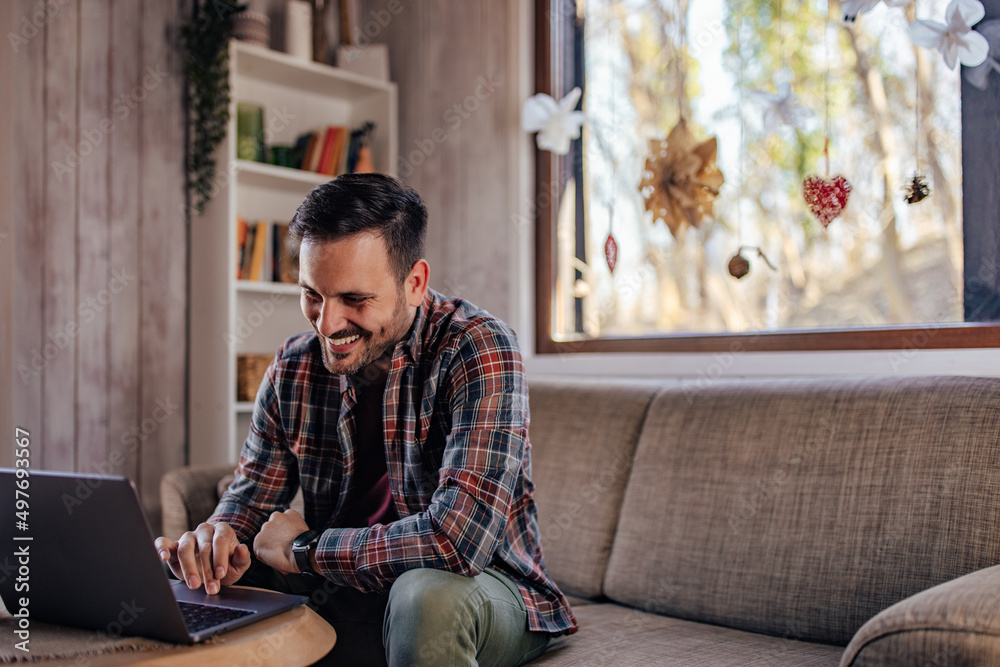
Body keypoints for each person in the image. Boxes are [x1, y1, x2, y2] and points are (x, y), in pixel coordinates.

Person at [155, 173, 577, 666]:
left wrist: (307, 549)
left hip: (483, 587)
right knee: (170, 577)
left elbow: (456, 541)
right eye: (313, 294)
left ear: (414, 283)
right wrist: (217, 539)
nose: (327, 324)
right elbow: (251, 495)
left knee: (424, 597)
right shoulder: (293, 366)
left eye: (355, 300)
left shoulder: (478, 349)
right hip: (344, 583)